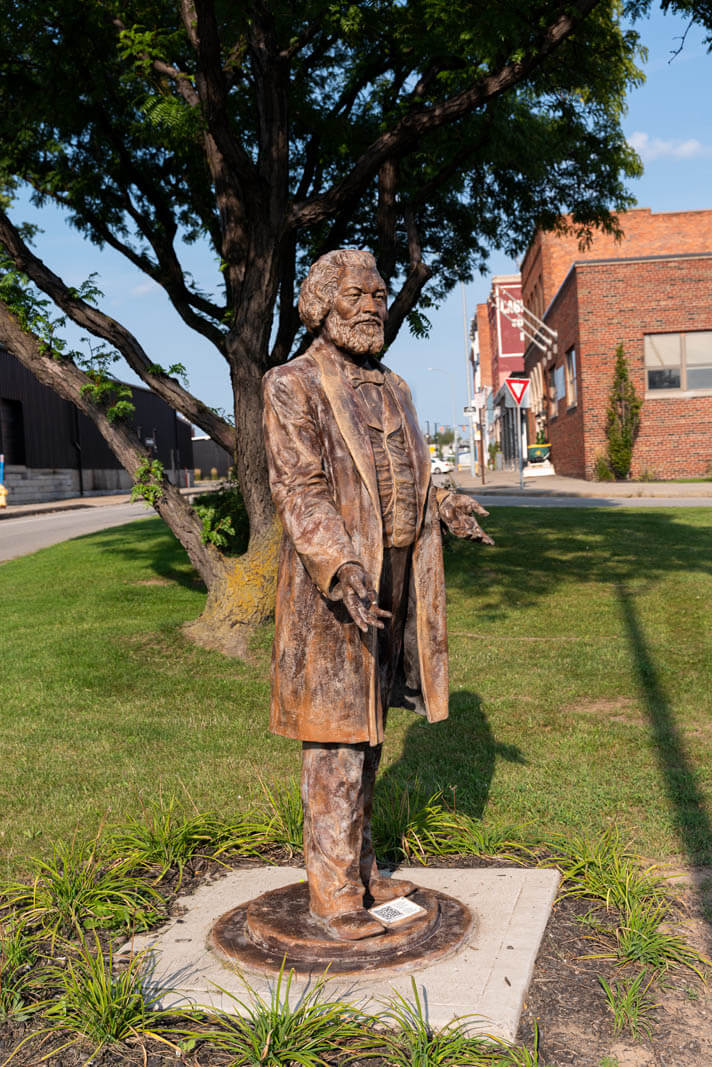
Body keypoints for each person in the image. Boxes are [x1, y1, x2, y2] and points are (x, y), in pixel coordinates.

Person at [262, 249, 492, 940]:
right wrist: (340, 566)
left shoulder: (395, 387)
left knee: (370, 734)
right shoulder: (291, 383)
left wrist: (445, 505)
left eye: (380, 293)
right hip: (335, 592)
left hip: (396, 583)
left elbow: (410, 474)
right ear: (323, 304)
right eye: (357, 294)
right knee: (335, 740)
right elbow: (298, 488)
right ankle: (332, 893)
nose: (372, 306)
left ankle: (359, 870)